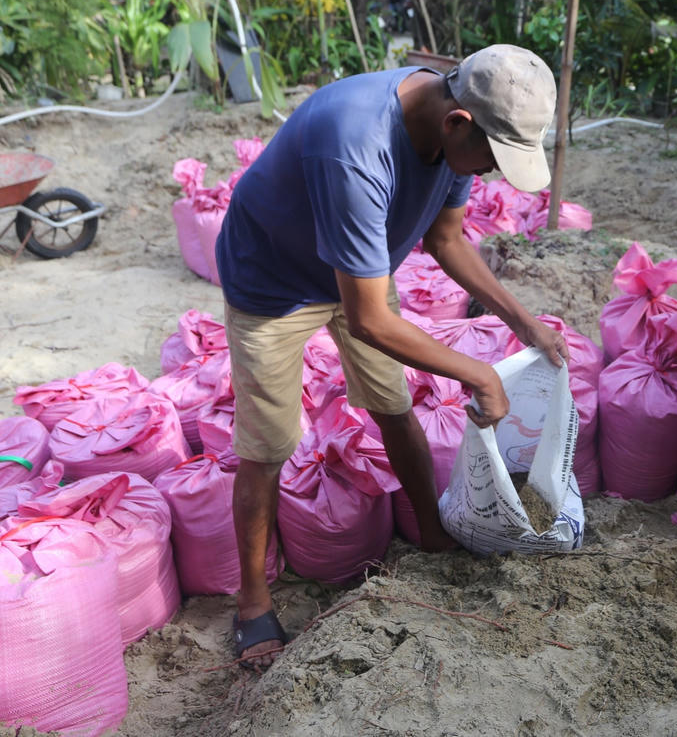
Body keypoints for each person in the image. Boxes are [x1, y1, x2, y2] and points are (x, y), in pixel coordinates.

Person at [215, 44, 570, 668]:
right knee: (268, 445)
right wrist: (477, 371)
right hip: (272, 281)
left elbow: (446, 238)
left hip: (358, 270)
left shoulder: (456, 123)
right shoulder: (354, 143)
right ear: (458, 123)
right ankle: (252, 603)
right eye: (491, 158)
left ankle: (431, 535)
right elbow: (370, 319)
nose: (486, 172)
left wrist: (526, 324)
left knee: (395, 405)